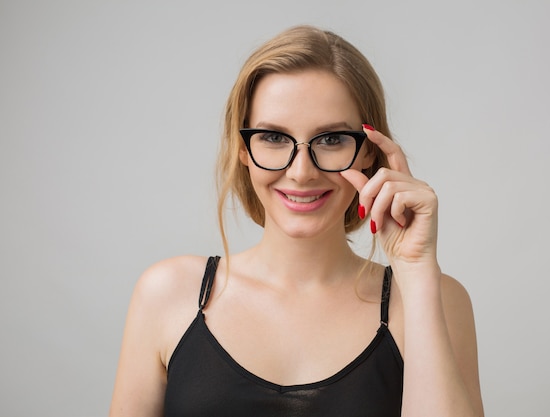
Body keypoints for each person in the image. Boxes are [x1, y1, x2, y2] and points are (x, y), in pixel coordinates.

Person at [109, 25, 484, 417]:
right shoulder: (167, 295)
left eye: (331, 139)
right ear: (243, 150)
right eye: (273, 137)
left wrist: (416, 269)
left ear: (370, 152)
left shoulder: (434, 299)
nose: (302, 172)